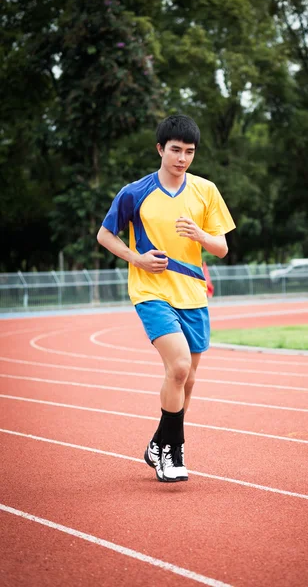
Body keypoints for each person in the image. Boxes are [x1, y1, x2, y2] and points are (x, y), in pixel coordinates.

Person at [97, 114, 235, 483]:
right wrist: (136, 258)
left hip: (193, 293)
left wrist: (201, 235)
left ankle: (160, 441)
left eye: (189, 152)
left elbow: (221, 248)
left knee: (187, 381)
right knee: (177, 367)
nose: (182, 158)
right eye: (175, 150)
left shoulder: (206, 191)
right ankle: (173, 452)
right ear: (160, 149)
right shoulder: (134, 192)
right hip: (151, 291)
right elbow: (105, 235)